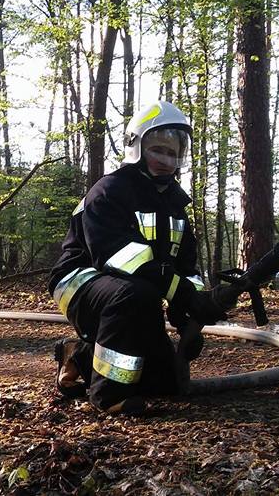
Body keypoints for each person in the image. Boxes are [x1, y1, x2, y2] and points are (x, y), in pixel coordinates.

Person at [47, 101, 238, 415]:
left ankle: (79, 356)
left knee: (165, 383)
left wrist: (191, 313)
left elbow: (185, 267)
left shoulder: (175, 205)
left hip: (139, 291)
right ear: (136, 146)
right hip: (81, 283)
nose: (166, 161)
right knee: (135, 294)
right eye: (157, 150)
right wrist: (184, 295)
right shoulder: (110, 191)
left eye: (173, 154)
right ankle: (108, 396)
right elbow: (122, 259)